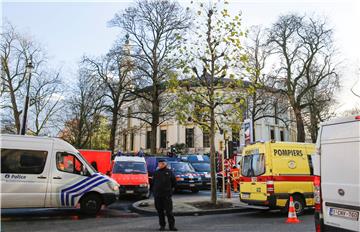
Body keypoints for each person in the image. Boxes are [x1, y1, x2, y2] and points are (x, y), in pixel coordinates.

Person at [152, 159, 177, 231]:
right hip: (158, 195)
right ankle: (162, 226)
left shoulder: (169, 172)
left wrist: (170, 190)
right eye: (158, 164)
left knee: (169, 212)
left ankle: (172, 226)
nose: (158, 165)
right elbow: (153, 183)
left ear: (164, 164)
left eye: (160, 164)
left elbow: (174, 183)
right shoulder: (156, 173)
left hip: (166, 195)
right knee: (160, 212)